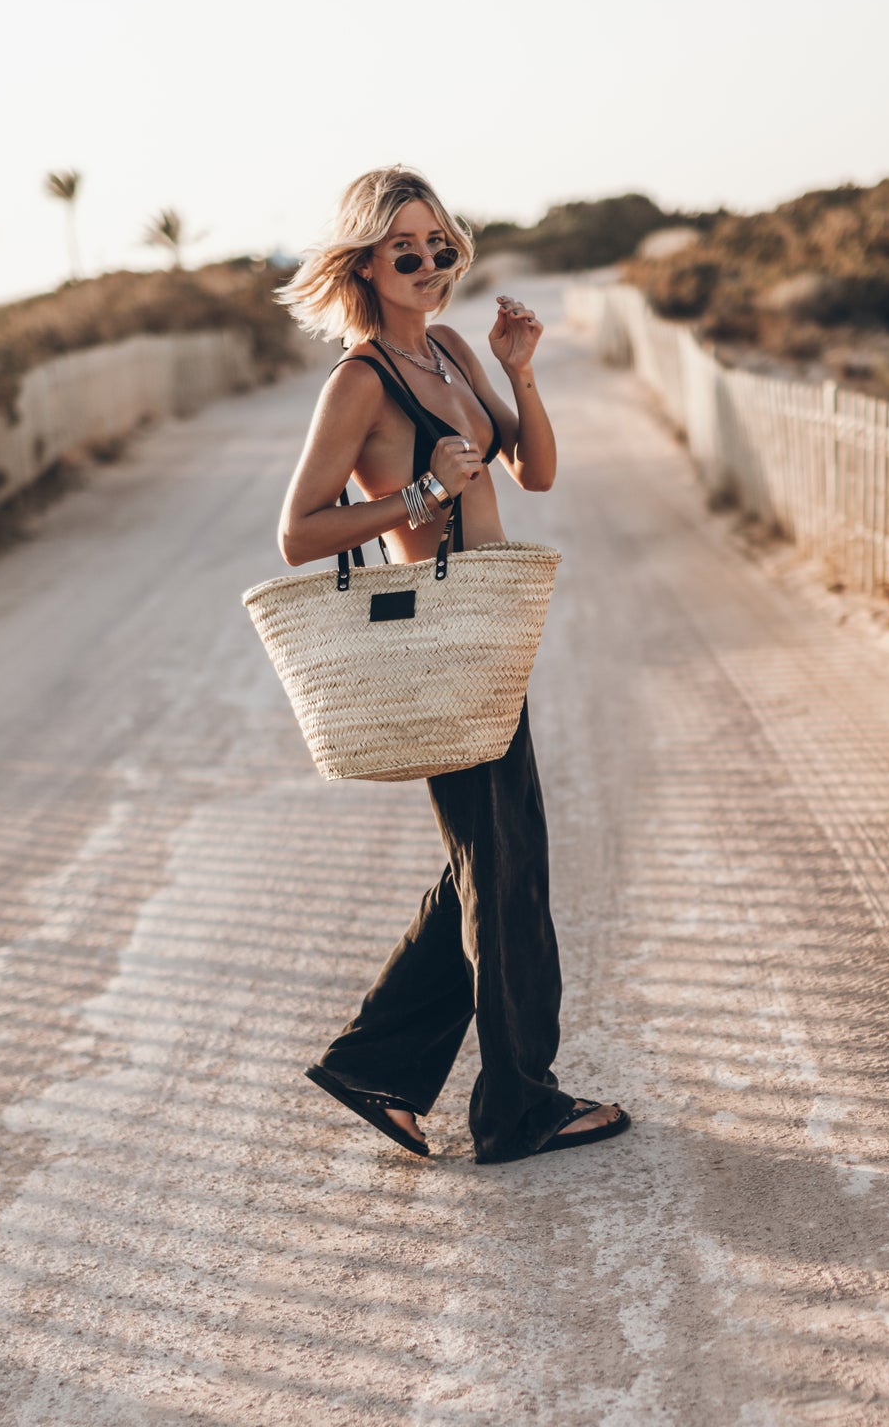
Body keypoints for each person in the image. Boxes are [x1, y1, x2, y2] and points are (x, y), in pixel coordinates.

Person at [274, 165, 630, 1164]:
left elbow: (537, 470)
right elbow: (298, 532)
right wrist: (417, 493)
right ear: (365, 264)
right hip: (431, 637)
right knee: (505, 858)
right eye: (405, 250)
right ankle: (517, 1104)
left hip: (487, 628)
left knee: (492, 850)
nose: (429, 264)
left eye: (438, 245)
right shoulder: (360, 381)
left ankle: (375, 1065)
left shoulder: (450, 348)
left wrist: (517, 370)